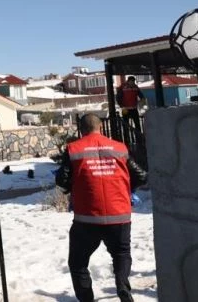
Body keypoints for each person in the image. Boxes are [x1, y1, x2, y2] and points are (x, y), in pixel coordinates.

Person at [55, 113, 147, 302]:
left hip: (87, 218)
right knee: (121, 254)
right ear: (101, 128)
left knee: (78, 263)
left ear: (81, 130)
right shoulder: (119, 148)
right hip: (119, 215)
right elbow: (141, 176)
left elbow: (62, 181)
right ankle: (122, 287)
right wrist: (124, 188)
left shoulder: (73, 149)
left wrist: (74, 187)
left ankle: (86, 299)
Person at [115, 76, 146, 142]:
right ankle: (127, 140)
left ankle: (139, 139)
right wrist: (121, 106)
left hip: (134, 108)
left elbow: (141, 96)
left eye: (133, 81)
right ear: (128, 81)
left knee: (137, 125)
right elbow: (118, 97)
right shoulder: (123, 87)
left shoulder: (136, 87)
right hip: (125, 109)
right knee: (126, 125)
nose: (132, 83)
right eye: (131, 81)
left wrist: (142, 101)